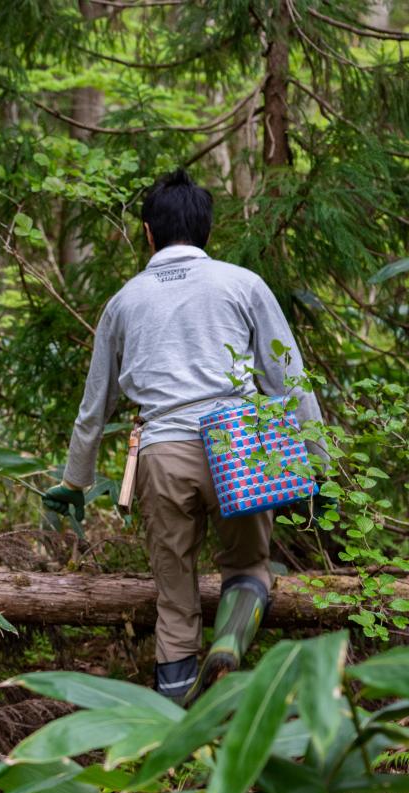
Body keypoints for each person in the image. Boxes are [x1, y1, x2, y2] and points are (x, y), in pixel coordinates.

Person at [42, 169, 326, 705]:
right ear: (207, 230)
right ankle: (230, 648)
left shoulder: (124, 302)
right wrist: (317, 462)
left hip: (162, 453)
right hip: (241, 444)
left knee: (174, 600)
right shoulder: (242, 284)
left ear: (148, 233)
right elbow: (289, 378)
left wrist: (74, 481)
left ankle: (175, 740)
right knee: (246, 567)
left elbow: (93, 406)